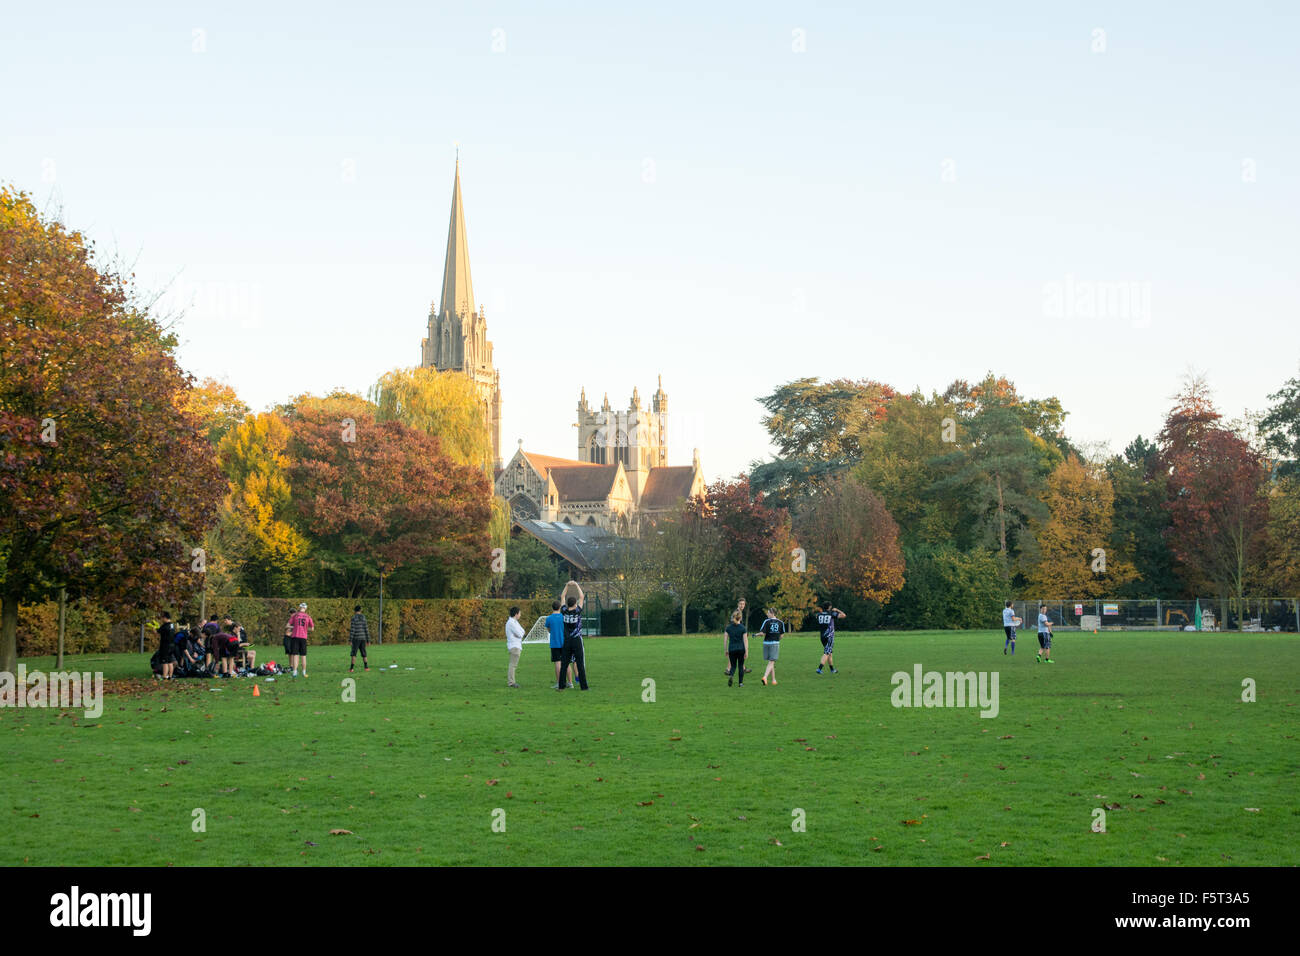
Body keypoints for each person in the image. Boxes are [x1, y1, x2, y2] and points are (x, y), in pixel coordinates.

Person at [556, 580, 588, 692]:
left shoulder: (564, 611)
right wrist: (576, 585)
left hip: (567, 640)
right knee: (580, 663)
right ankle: (584, 687)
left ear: (567, 604)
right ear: (575, 604)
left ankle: (561, 686)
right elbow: (582, 596)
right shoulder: (577, 611)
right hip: (576, 640)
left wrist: (567, 585)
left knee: (564, 664)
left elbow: (562, 596)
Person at [814, 601, 846, 675]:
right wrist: (837, 610)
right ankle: (819, 668)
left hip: (822, 636)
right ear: (829, 607)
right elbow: (844, 615)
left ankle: (832, 670)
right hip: (829, 636)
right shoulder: (831, 614)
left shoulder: (819, 614)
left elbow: (817, 616)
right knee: (827, 652)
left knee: (829, 653)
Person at [757, 607, 784, 686]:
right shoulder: (780, 622)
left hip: (766, 643)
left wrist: (756, 634)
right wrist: (777, 639)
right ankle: (765, 677)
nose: (767, 614)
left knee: (771, 661)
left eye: (768, 612)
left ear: (772, 613)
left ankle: (773, 680)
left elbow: (762, 633)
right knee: (772, 661)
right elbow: (782, 635)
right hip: (775, 643)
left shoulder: (766, 621)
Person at [287, 602, 314, 677]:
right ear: (306, 608)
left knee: (295, 655)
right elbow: (312, 628)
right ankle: (304, 672)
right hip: (303, 637)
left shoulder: (295, 615)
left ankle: (295, 672)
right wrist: (305, 628)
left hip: (295, 637)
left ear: (299, 608)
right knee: (303, 655)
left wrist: (294, 627)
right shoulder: (308, 616)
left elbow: (287, 626)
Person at [545, 601, 567, 688]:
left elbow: (549, 630)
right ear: (560, 607)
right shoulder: (563, 617)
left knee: (557, 663)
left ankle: (559, 683)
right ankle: (569, 682)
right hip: (565, 642)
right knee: (567, 663)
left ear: (552, 607)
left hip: (554, 643)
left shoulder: (549, 618)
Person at [724, 611, 748, 687]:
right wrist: (746, 651)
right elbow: (745, 640)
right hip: (741, 649)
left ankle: (731, 675)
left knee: (733, 666)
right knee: (741, 666)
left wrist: (726, 650)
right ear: (740, 618)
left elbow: (725, 640)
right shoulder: (743, 628)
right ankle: (740, 683)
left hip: (732, 649)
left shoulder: (728, 628)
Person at [505, 606, 525, 688]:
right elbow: (520, 634)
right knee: (513, 665)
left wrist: (520, 634)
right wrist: (520, 634)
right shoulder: (511, 623)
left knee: (513, 665)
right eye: (519, 613)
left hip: (517, 645)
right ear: (516, 614)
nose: (520, 615)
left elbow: (523, 631)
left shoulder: (515, 622)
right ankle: (511, 682)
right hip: (514, 646)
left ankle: (511, 681)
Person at [348, 605, 370, 672]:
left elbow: (352, 630)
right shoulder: (363, 617)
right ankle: (366, 667)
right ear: (360, 610)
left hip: (356, 638)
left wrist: (350, 640)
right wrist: (368, 640)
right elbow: (366, 629)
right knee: (364, 653)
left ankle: (351, 668)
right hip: (363, 638)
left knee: (354, 653)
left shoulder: (354, 618)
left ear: (354, 611)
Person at [156, 613, 176, 680]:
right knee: (170, 661)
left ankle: (164, 677)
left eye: (162, 618)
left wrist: (154, 629)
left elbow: (157, 632)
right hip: (172, 645)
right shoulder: (172, 625)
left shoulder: (165, 626)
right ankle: (170, 676)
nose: (161, 619)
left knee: (164, 662)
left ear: (165, 618)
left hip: (165, 646)